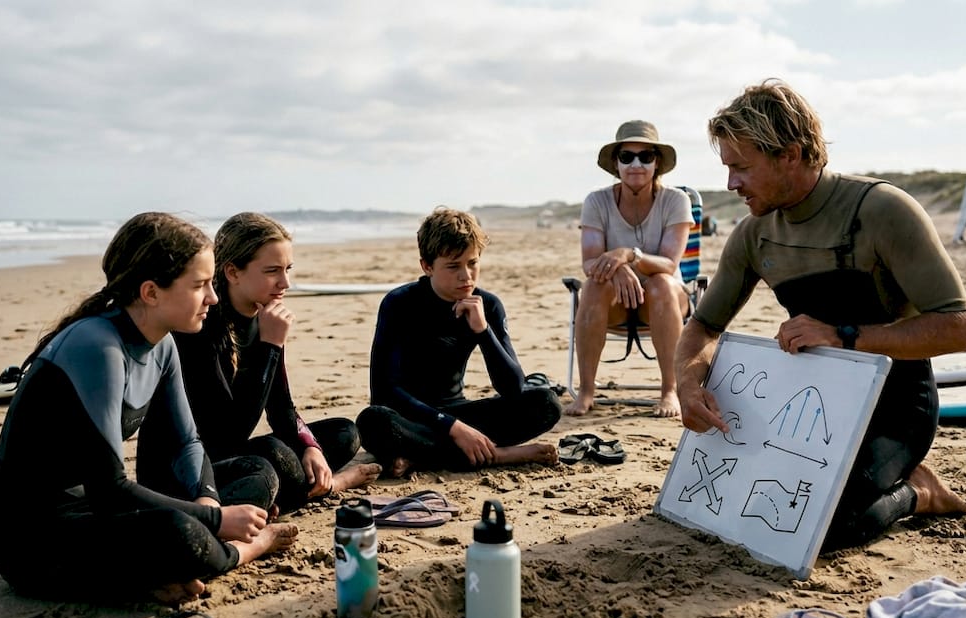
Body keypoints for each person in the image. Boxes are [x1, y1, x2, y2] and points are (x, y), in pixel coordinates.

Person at [675, 80, 966, 550]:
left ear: (789, 155)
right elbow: (704, 327)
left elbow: (959, 329)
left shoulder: (881, 211)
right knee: (753, 510)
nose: (731, 183)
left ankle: (919, 490)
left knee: (829, 529)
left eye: (741, 167)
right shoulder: (754, 235)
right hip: (811, 410)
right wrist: (689, 382)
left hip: (895, 405)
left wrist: (844, 336)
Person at [0, 212, 297, 605]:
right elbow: (110, 490)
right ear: (151, 292)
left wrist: (207, 500)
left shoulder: (163, 345)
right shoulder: (97, 347)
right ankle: (245, 552)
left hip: (96, 518)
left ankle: (150, 579)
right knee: (180, 532)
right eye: (200, 285)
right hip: (35, 542)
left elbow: (188, 441)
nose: (213, 298)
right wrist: (217, 522)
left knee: (226, 498)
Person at [138, 212, 380, 516]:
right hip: (187, 473)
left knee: (344, 433)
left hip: (231, 455)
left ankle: (289, 491)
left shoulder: (264, 317)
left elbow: (282, 409)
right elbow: (230, 432)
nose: (286, 282)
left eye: (287, 269)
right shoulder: (201, 327)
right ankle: (333, 484)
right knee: (270, 460)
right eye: (272, 271)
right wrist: (270, 346)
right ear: (233, 272)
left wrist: (310, 446)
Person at [356, 207, 561, 476]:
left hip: (458, 413)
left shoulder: (488, 305)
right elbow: (384, 391)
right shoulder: (399, 304)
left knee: (546, 403)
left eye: (473, 263)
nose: (466, 276)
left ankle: (420, 459)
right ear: (427, 266)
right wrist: (453, 427)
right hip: (409, 419)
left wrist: (483, 330)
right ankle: (496, 455)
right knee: (372, 421)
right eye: (453, 266)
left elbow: (513, 388)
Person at [565, 120, 693, 419]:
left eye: (645, 156)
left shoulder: (676, 200)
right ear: (616, 163)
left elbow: (669, 264)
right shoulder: (597, 201)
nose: (636, 164)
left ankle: (669, 390)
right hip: (616, 302)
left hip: (665, 302)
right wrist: (618, 267)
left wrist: (628, 256)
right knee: (594, 284)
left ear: (657, 162)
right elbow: (590, 262)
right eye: (627, 157)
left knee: (661, 282)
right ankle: (586, 391)